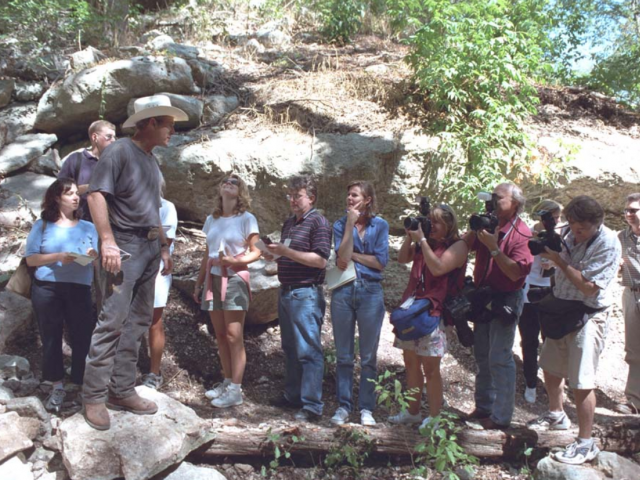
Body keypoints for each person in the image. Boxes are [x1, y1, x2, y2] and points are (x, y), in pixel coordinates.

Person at [82, 95, 187, 430]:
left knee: (139, 320)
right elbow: (96, 194)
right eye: (169, 124)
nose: (173, 131)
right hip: (124, 246)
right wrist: (108, 241)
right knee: (112, 320)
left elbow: (151, 208)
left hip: (150, 247)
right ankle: (94, 396)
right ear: (152, 122)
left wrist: (165, 249)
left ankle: (122, 389)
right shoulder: (120, 151)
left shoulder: (151, 161)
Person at [527, 196, 621, 465]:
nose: (575, 234)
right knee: (550, 366)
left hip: (587, 313)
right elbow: (555, 264)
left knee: (581, 380)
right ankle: (556, 414)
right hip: (559, 306)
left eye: (581, 230)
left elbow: (589, 287)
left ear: (597, 223)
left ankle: (585, 442)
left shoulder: (608, 243)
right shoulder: (568, 232)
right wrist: (550, 257)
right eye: (572, 227)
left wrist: (557, 259)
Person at [389, 204, 468, 429]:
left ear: (449, 225)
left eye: (436, 223)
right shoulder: (426, 243)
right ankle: (413, 412)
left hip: (435, 313)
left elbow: (438, 269)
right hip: (413, 310)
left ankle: (435, 417)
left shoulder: (458, 245)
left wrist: (422, 241)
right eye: (429, 222)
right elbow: (402, 259)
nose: (431, 226)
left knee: (431, 369)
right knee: (411, 362)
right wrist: (410, 237)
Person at [25, 178, 98, 412]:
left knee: (82, 336)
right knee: (51, 336)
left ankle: (78, 382)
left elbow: (96, 258)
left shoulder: (89, 226)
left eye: (77, 193)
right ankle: (56, 385)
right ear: (57, 198)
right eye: (69, 193)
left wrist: (92, 255)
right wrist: (58, 256)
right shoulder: (43, 225)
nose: (76, 197)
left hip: (79, 288)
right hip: (48, 288)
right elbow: (31, 259)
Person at [464, 183, 533, 430]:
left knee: (500, 357)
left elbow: (516, 273)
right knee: (482, 354)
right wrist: (477, 226)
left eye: (498, 198)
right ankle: (484, 407)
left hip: (506, 298)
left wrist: (493, 247)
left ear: (515, 203)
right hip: (483, 296)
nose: (493, 202)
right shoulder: (489, 224)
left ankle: (501, 417)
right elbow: (465, 246)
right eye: (491, 197)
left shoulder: (522, 233)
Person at [266, 175, 332, 422]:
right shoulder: (289, 223)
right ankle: (293, 395)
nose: (292, 200)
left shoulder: (319, 222)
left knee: (308, 350)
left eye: (298, 196)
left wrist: (285, 251)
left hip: (306, 293)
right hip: (286, 291)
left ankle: (313, 405)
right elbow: (290, 255)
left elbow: (321, 260)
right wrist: (274, 256)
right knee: (291, 348)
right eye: (290, 196)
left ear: (311, 198)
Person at [193, 174, 261, 408]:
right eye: (225, 181)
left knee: (234, 335)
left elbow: (257, 250)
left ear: (241, 191)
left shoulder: (247, 218)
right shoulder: (213, 219)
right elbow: (207, 253)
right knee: (220, 334)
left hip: (234, 279)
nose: (228, 183)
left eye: (234, 182)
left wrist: (235, 260)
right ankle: (227, 380)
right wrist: (199, 281)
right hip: (213, 278)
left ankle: (236, 390)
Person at [329, 181, 389, 427]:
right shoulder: (340, 225)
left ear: (367, 200)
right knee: (343, 355)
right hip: (343, 291)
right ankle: (343, 406)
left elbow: (380, 262)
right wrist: (350, 226)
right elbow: (340, 256)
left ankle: (366, 408)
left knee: (368, 356)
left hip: (370, 292)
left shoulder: (380, 226)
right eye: (348, 195)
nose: (349, 199)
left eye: (354, 195)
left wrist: (352, 254)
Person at [519, 200, 562, 404]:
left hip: (550, 290)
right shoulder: (527, 233)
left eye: (557, 218)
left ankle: (552, 383)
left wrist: (554, 260)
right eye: (552, 218)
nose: (555, 221)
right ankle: (530, 383)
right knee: (529, 339)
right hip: (528, 290)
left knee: (549, 339)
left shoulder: (558, 237)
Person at [140, 183, 178, 390]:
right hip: (133, 268)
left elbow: (165, 239)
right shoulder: (131, 203)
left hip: (157, 270)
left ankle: (154, 372)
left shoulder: (167, 207)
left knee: (154, 320)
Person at [58, 120, 117, 223]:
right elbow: (58, 191)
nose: (113, 141)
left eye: (114, 137)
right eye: (109, 137)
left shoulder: (117, 163)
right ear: (95, 137)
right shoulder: (75, 160)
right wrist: (89, 188)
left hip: (114, 226)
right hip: (81, 225)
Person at [615, 193, 640, 415]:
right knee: (633, 349)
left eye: (634, 210)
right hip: (632, 293)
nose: (629, 214)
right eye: (627, 211)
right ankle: (634, 399)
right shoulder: (621, 238)